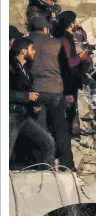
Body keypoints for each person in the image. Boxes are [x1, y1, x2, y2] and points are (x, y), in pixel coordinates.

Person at [28, 16, 77, 170]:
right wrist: (69, 92)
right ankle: (67, 165)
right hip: (56, 90)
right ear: (45, 29)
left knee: (39, 130)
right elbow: (66, 69)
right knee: (61, 130)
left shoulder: (26, 44)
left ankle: (42, 166)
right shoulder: (56, 43)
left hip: (36, 91)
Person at [9, 37, 56, 166]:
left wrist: (34, 104)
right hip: (11, 116)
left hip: (23, 116)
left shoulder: (26, 69)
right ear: (24, 51)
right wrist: (26, 97)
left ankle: (48, 176)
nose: (34, 52)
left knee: (48, 141)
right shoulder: (9, 68)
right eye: (32, 49)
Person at [54, 11, 92, 137]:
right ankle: (68, 134)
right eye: (74, 21)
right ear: (70, 23)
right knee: (69, 108)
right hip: (68, 80)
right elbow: (69, 62)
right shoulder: (65, 39)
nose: (76, 23)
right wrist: (80, 57)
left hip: (69, 78)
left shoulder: (63, 37)